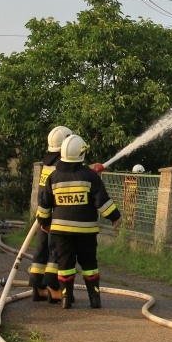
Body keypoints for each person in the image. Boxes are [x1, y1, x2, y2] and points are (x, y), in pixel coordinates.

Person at [37, 134, 121, 309]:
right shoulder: (89, 175)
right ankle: (94, 298)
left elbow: (44, 203)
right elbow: (101, 200)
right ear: (80, 154)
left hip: (61, 231)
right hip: (86, 231)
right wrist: (114, 216)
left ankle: (66, 299)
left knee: (65, 264)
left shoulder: (53, 177)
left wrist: (43, 222)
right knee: (89, 263)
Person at [30, 126, 73, 303]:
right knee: (56, 252)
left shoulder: (48, 165)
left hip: (43, 215)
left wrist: (43, 218)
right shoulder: (59, 167)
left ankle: (38, 287)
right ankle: (53, 289)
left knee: (41, 250)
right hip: (56, 216)